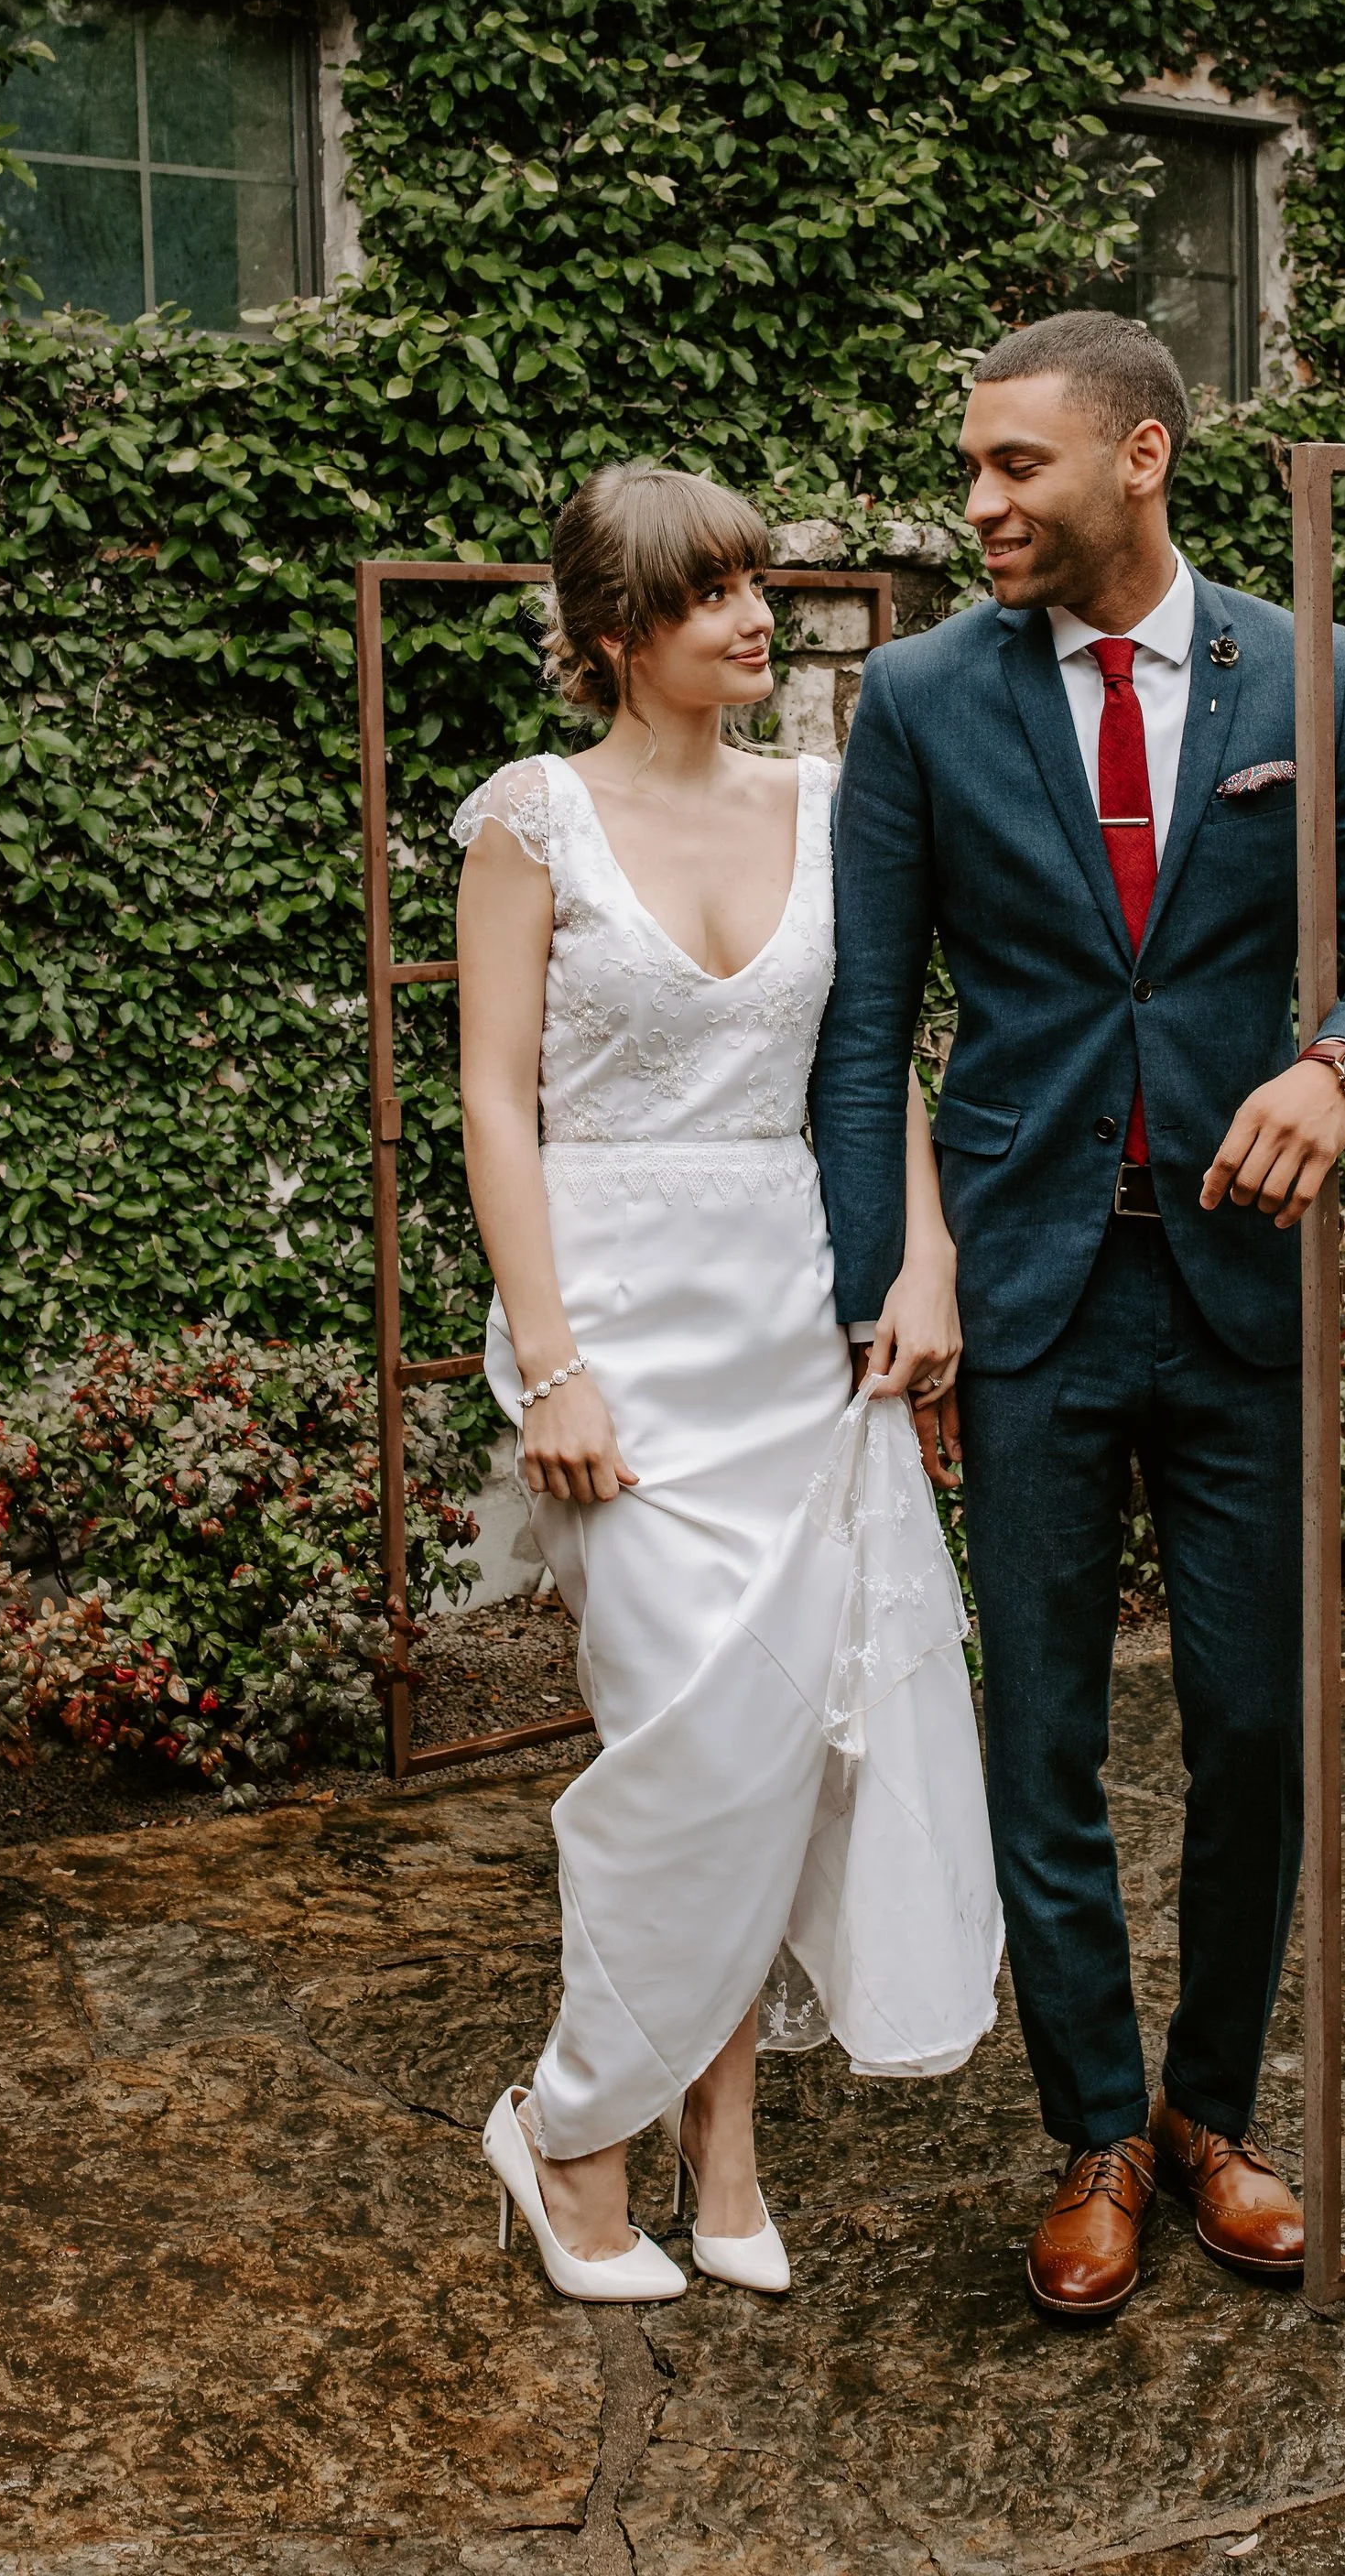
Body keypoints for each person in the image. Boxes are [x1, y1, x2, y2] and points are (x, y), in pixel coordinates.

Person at [810, 312, 1345, 2321]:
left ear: (1145, 457)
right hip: (1021, 1297)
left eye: (1018, 466)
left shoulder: (1306, 667)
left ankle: (1208, 2115)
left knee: (1256, 1725)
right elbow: (864, 1036)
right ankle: (1091, 2127)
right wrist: (892, 1286)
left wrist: (1338, 1069)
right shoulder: (920, 699)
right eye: (974, 466)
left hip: (1235, 1291)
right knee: (1049, 1742)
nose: (981, 502)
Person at [454, 460, 1002, 2306]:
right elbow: (492, 1103)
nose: (758, 617)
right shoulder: (529, 823)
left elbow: (877, 1062)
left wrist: (921, 1261)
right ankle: (568, 2137)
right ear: (615, 634)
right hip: (612, 1332)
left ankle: (728, 2158)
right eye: (710, 596)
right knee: (682, 1747)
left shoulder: (834, 804)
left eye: (759, 584)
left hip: (792, 1323)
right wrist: (551, 1370)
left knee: (779, 1740)